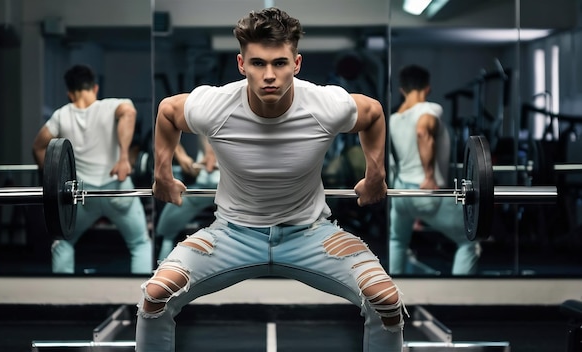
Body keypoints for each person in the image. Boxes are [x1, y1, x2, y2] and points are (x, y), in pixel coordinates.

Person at [136, 7, 405, 352]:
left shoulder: (324, 104)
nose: (269, 75)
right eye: (258, 63)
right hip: (231, 234)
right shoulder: (216, 105)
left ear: (296, 64)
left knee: (385, 299)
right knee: (155, 297)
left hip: (309, 234)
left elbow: (372, 113)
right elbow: (168, 112)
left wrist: (375, 176)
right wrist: (162, 175)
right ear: (241, 64)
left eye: (279, 63)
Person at [32, 64, 152, 274]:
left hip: (82, 195)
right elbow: (129, 113)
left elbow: (38, 147)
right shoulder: (113, 105)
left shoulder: (61, 115)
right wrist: (124, 158)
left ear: (69, 93)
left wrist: (55, 181)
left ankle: (62, 303)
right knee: (140, 244)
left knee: (63, 242)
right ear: (95, 88)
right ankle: (142, 303)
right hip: (117, 189)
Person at [388, 64, 481, 275]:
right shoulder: (430, 109)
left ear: (402, 89)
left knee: (397, 241)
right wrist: (429, 176)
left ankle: (391, 296)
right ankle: (458, 298)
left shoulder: (394, 119)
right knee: (470, 239)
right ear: (427, 88)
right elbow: (422, 131)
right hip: (425, 189)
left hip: (402, 192)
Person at [155, 135, 219, 259]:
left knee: (166, 236)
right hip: (207, 184)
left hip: (215, 184)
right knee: (166, 234)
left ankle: (162, 272)